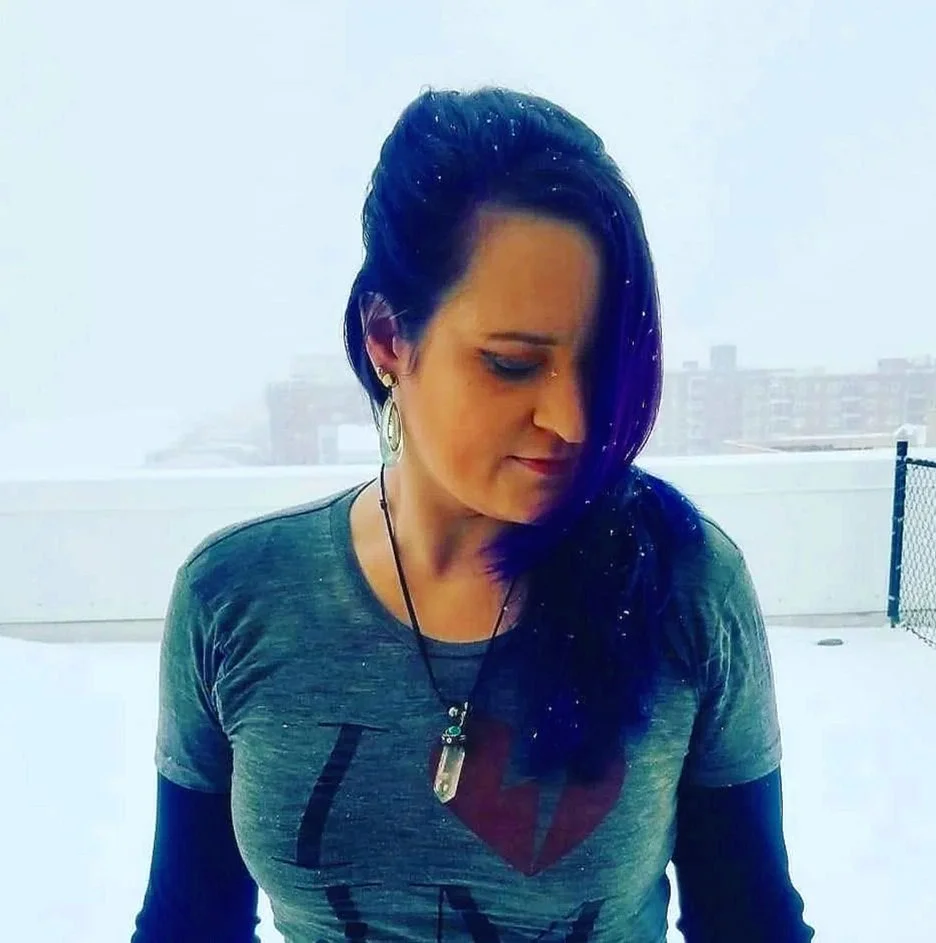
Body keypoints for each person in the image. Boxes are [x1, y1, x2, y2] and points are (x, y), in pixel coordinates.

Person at [132, 87, 814, 942]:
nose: (573, 419)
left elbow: (749, 919)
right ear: (389, 338)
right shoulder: (238, 595)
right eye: (511, 363)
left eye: (599, 363)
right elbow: (188, 922)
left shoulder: (681, 584)